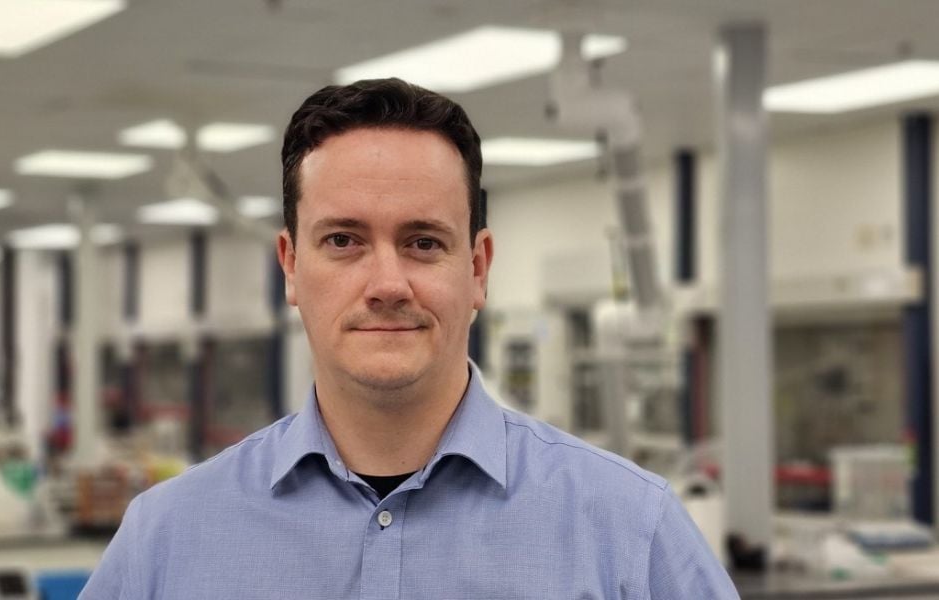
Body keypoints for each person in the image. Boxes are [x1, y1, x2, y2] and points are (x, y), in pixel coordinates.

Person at [80, 78, 739, 599]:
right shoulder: (166, 540)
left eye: (423, 242)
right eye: (344, 241)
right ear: (290, 266)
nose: (387, 282)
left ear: (477, 269)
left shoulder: (630, 531)